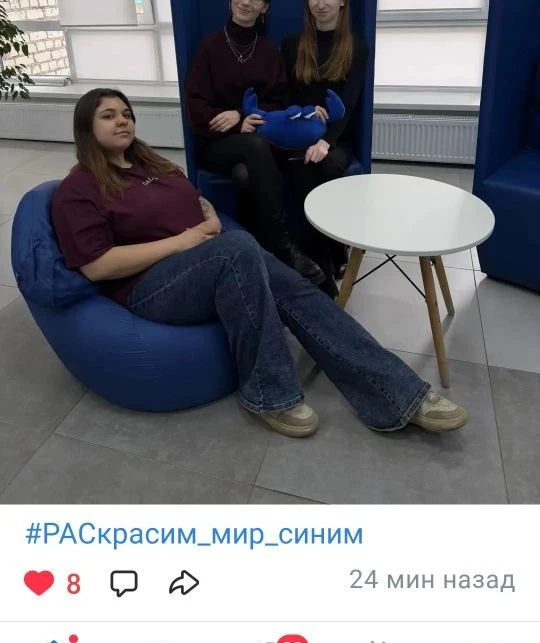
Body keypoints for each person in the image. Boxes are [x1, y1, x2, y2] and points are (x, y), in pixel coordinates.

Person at [51, 88, 468, 438]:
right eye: (108, 115)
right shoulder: (79, 188)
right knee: (239, 248)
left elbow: (194, 198)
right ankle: (270, 394)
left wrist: (209, 217)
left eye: (126, 113)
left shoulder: (150, 164)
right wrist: (185, 240)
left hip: (201, 258)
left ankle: (398, 394)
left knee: (297, 290)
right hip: (148, 286)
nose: (122, 121)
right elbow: (98, 266)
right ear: (86, 126)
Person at [184, 0, 327, 288]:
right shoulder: (209, 48)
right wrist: (236, 121)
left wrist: (245, 116)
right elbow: (195, 106)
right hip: (216, 143)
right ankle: (283, 246)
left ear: (265, 8)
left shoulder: (268, 52)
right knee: (251, 148)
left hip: (260, 143)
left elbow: (280, 102)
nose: (246, 1)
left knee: (245, 174)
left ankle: (255, 256)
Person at [281, 0, 369, 288]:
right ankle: (327, 266)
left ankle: (329, 254)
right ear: (307, 0)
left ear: (342, 0)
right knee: (302, 166)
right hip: (300, 134)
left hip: (336, 138)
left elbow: (348, 105)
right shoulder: (292, 44)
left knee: (328, 165)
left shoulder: (356, 47)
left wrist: (326, 142)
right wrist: (305, 119)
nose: (321, 3)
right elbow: (288, 99)